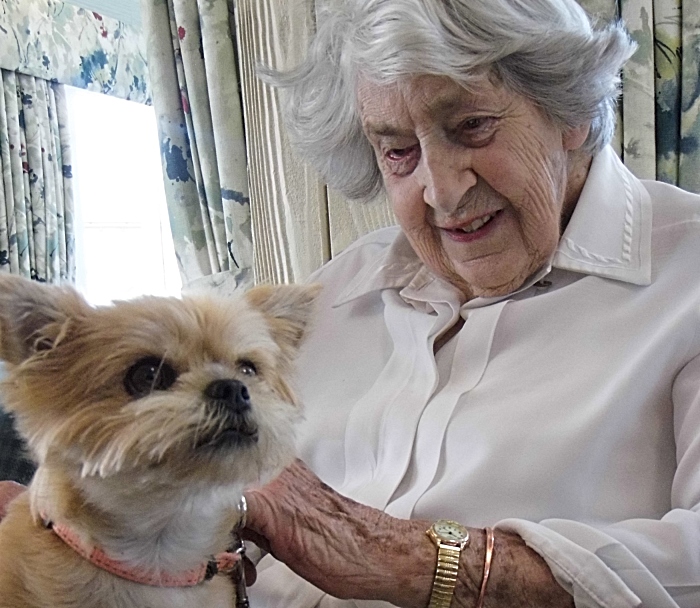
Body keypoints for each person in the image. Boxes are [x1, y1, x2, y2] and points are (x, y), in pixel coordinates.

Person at [1, 0, 699, 607]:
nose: (442, 190)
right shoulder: (337, 292)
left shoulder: (684, 276)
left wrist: (404, 558)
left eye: (473, 126)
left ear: (569, 113)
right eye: (397, 153)